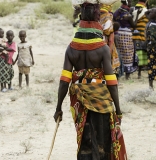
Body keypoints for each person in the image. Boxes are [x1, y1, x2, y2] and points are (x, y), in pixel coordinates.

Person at [54, 3, 127, 160]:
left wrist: (58, 108)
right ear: (97, 20)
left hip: (80, 102)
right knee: (103, 142)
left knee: (85, 141)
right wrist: (118, 109)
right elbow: (112, 82)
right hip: (102, 102)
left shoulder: (71, 49)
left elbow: (64, 81)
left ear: (80, 19)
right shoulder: (102, 49)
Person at [113, 0, 141, 80]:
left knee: (120, 53)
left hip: (118, 34)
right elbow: (134, 25)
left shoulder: (117, 12)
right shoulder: (128, 16)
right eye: (130, 2)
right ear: (127, 3)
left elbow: (114, 19)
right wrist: (138, 14)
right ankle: (127, 76)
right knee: (128, 54)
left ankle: (119, 72)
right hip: (127, 35)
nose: (131, 3)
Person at [100, 4, 120, 80]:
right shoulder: (108, 19)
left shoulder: (95, 17)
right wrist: (109, 53)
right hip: (105, 45)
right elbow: (111, 40)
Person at [132, 0, 149, 79]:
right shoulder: (146, 11)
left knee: (138, 53)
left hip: (137, 36)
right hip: (142, 36)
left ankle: (137, 73)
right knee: (141, 54)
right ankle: (138, 73)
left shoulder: (133, 10)